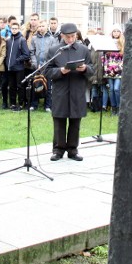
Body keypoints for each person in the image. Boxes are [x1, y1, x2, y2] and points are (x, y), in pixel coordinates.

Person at [44, 23, 93, 161]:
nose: (71, 39)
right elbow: (47, 71)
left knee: (75, 121)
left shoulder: (83, 50)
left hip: (77, 90)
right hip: (61, 90)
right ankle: (58, 150)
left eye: (73, 36)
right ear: (62, 36)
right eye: (68, 37)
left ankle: (73, 150)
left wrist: (84, 69)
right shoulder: (54, 50)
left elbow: (92, 69)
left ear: (76, 35)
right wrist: (60, 71)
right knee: (59, 120)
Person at [29, 22, 58, 111]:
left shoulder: (52, 39)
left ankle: (47, 105)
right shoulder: (34, 39)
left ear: (47, 27)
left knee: (48, 86)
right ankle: (34, 104)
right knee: (36, 84)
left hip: (47, 66)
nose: (41, 28)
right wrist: (35, 63)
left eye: (43, 26)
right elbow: (32, 52)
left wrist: (45, 64)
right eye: (40, 26)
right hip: (36, 66)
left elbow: (53, 53)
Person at [4, 21, 30, 112]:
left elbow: (26, 54)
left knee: (20, 86)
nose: (14, 30)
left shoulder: (22, 40)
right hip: (10, 68)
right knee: (11, 86)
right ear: (10, 29)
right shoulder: (8, 40)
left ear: (18, 29)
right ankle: (12, 103)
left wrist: (17, 60)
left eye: (15, 28)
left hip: (19, 68)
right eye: (12, 28)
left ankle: (21, 103)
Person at [103, 26, 125, 115]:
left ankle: (119, 108)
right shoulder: (108, 43)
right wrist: (107, 69)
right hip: (109, 71)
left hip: (118, 71)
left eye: (117, 31)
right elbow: (104, 58)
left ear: (120, 33)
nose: (116, 33)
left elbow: (124, 59)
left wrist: (116, 69)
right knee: (111, 90)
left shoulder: (123, 44)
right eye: (114, 31)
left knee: (116, 89)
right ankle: (113, 108)